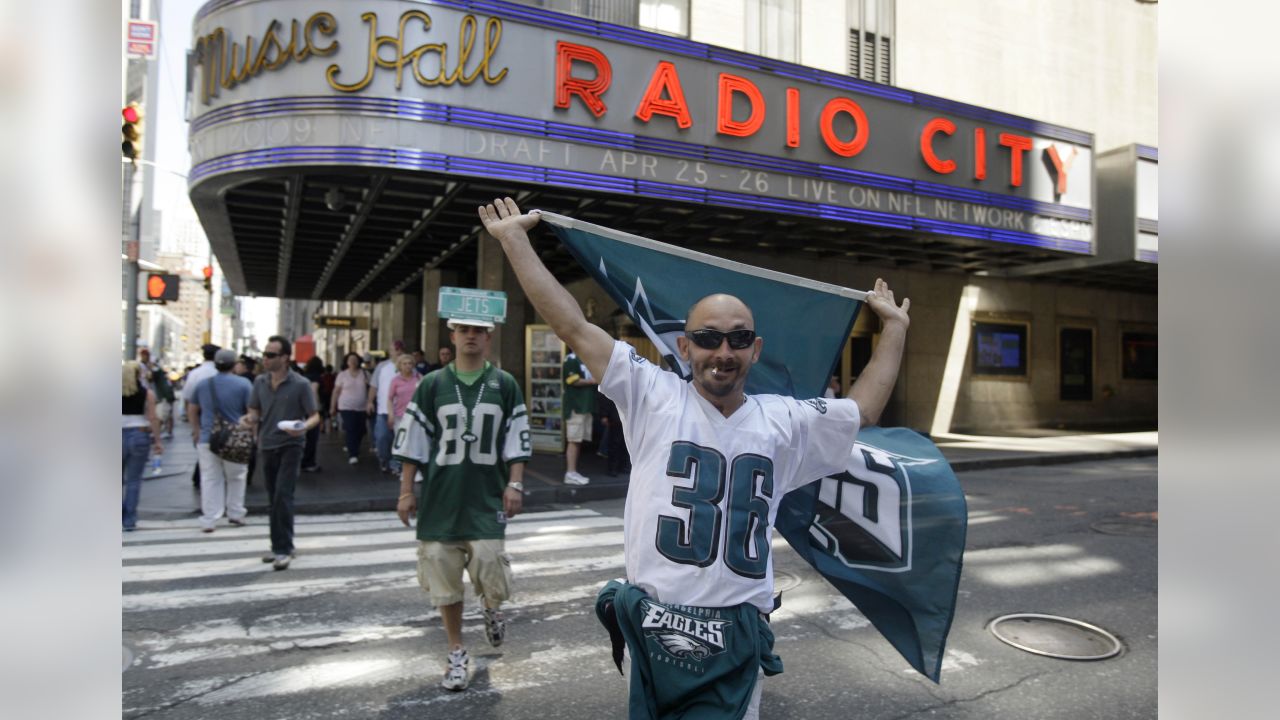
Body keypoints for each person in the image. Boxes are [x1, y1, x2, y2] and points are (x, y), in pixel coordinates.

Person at [479, 197, 910, 718]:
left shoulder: (785, 420)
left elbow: (860, 409)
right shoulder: (651, 395)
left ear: (755, 349)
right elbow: (572, 326)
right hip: (658, 623)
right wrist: (514, 241)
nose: (722, 352)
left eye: (738, 339)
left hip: (737, 632)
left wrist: (895, 329)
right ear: (684, 347)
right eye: (707, 338)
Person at [392, 316, 532, 692]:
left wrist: (515, 483)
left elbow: (516, 436)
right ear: (453, 336)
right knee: (443, 578)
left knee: (490, 565)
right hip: (441, 500)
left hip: (486, 499)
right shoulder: (432, 384)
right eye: (464, 330)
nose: (471, 336)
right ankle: (456, 650)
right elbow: (412, 444)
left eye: (478, 331)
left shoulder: (504, 384)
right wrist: (407, 491)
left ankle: (491, 609)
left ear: (488, 336)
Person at [241, 336, 321, 571]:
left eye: (271, 355)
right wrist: (250, 419)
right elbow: (254, 409)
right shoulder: (259, 382)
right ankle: (281, 545)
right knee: (273, 498)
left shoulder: (300, 384)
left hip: (291, 444)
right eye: (264, 354)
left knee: (283, 495)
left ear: (285, 358)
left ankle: (283, 549)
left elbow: (315, 415)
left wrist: (303, 428)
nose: (265, 359)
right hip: (267, 444)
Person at [189, 348, 253, 532]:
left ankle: (209, 519)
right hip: (235, 436)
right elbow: (251, 411)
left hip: (208, 436)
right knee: (237, 476)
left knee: (209, 478)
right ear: (234, 364)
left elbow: (192, 409)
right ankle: (236, 513)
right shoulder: (244, 384)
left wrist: (196, 430)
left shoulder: (203, 385)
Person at [122, 360, 163, 531]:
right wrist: (158, 441)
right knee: (133, 480)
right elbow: (152, 418)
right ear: (139, 375)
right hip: (139, 433)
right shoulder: (147, 393)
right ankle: (129, 520)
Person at [184, 344, 220, 488]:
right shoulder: (219, 372)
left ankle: (200, 475)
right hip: (219, 414)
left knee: (203, 445)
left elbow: (188, 398)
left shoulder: (196, 373)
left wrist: (194, 427)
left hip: (201, 412)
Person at [561, 349, 598, 486]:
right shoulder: (571, 359)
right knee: (574, 440)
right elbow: (571, 380)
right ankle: (570, 472)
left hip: (585, 407)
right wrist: (593, 381)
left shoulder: (584, 357)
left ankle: (573, 471)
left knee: (577, 440)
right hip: (576, 406)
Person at [368, 341, 405, 474]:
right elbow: (374, 385)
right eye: (395, 350)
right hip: (383, 410)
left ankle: (395, 464)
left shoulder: (408, 366)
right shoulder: (382, 367)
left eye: (399, 349)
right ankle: (384, 458)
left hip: (402, 412)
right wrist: (369, 402)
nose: (397, 352)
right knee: (382, 437)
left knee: (399, 440)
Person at [331, 351, 370, 465]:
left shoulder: (365, 374)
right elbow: (336, 391)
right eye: (350, 360)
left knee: (361, 430)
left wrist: (370, 401)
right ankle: (353, 453)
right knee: (351, 428)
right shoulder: (342, 375)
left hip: (362, 407)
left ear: (358, 361)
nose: (353, 362)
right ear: (347, 362)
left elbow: (372, 388)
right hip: (346, 406)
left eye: (355, 360)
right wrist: (332, 406)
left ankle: (352, 446)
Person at [387, 352, 422, 477]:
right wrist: (390, 415)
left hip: (416, 417)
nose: (408, 366)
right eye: (404, 364)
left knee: (415, 443)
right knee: (403, 444)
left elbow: (425, 395)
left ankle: (416, 471)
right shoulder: (395, 381)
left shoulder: (418, 377)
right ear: (400, 366)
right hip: (400, 417)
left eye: (410, 363)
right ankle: (405, 471)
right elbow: (390, 399)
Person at [301, 356, 325, 472]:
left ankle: (301, 460)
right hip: (311, 410)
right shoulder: (317, 377)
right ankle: (309, 462)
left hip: (301, 409)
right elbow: (314, 391)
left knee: (302, 436)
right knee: (312, 437)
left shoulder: (304, 377)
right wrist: (316, 409)